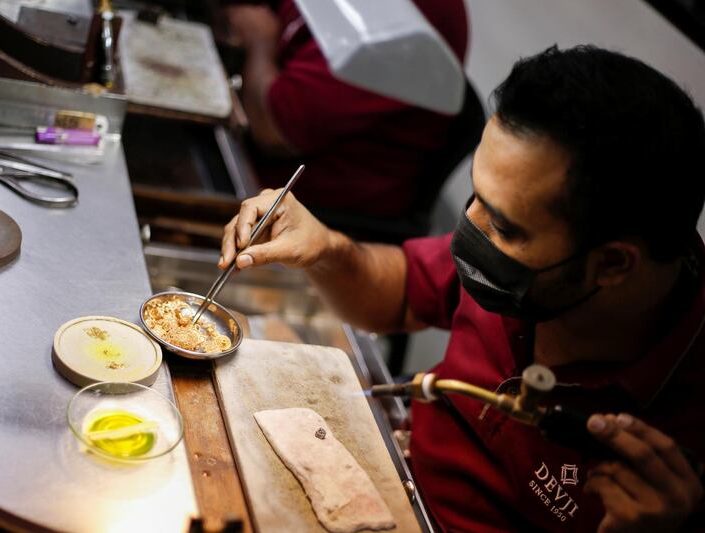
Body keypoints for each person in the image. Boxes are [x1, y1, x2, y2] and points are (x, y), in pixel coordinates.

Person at [218, 45, 705, 531]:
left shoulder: (678, 444)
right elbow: (404, 291)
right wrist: (325, 249)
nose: (468, 228)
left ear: (614, 264)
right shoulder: (530, 274)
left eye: (504, 226)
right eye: (477, 195)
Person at [225, 0, 469, 223]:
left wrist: (259, 43)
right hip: (259, 147)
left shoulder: (403, 26)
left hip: (309, 208)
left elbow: (273, 129)